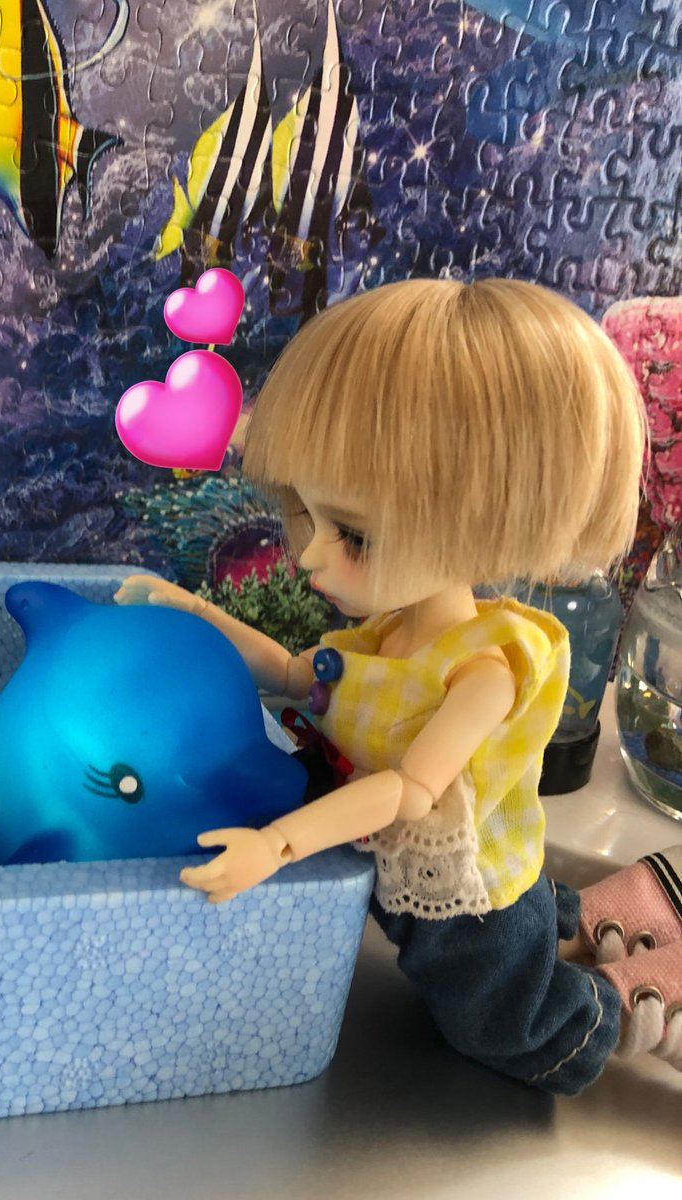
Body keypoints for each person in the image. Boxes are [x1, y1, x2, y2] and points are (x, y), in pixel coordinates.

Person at [116, 277, 682, 1093]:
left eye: (353, 535)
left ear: (483, 523)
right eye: (304, 514)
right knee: (525, 952)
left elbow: (411, 792)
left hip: (465, 910)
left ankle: (626, 1002)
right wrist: (190, 612)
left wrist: (278, 846)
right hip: (394, 876)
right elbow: (290, 672)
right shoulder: (388, 636)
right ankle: (611, 911)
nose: (310, 555)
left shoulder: (484, 669)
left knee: (508, 1028)